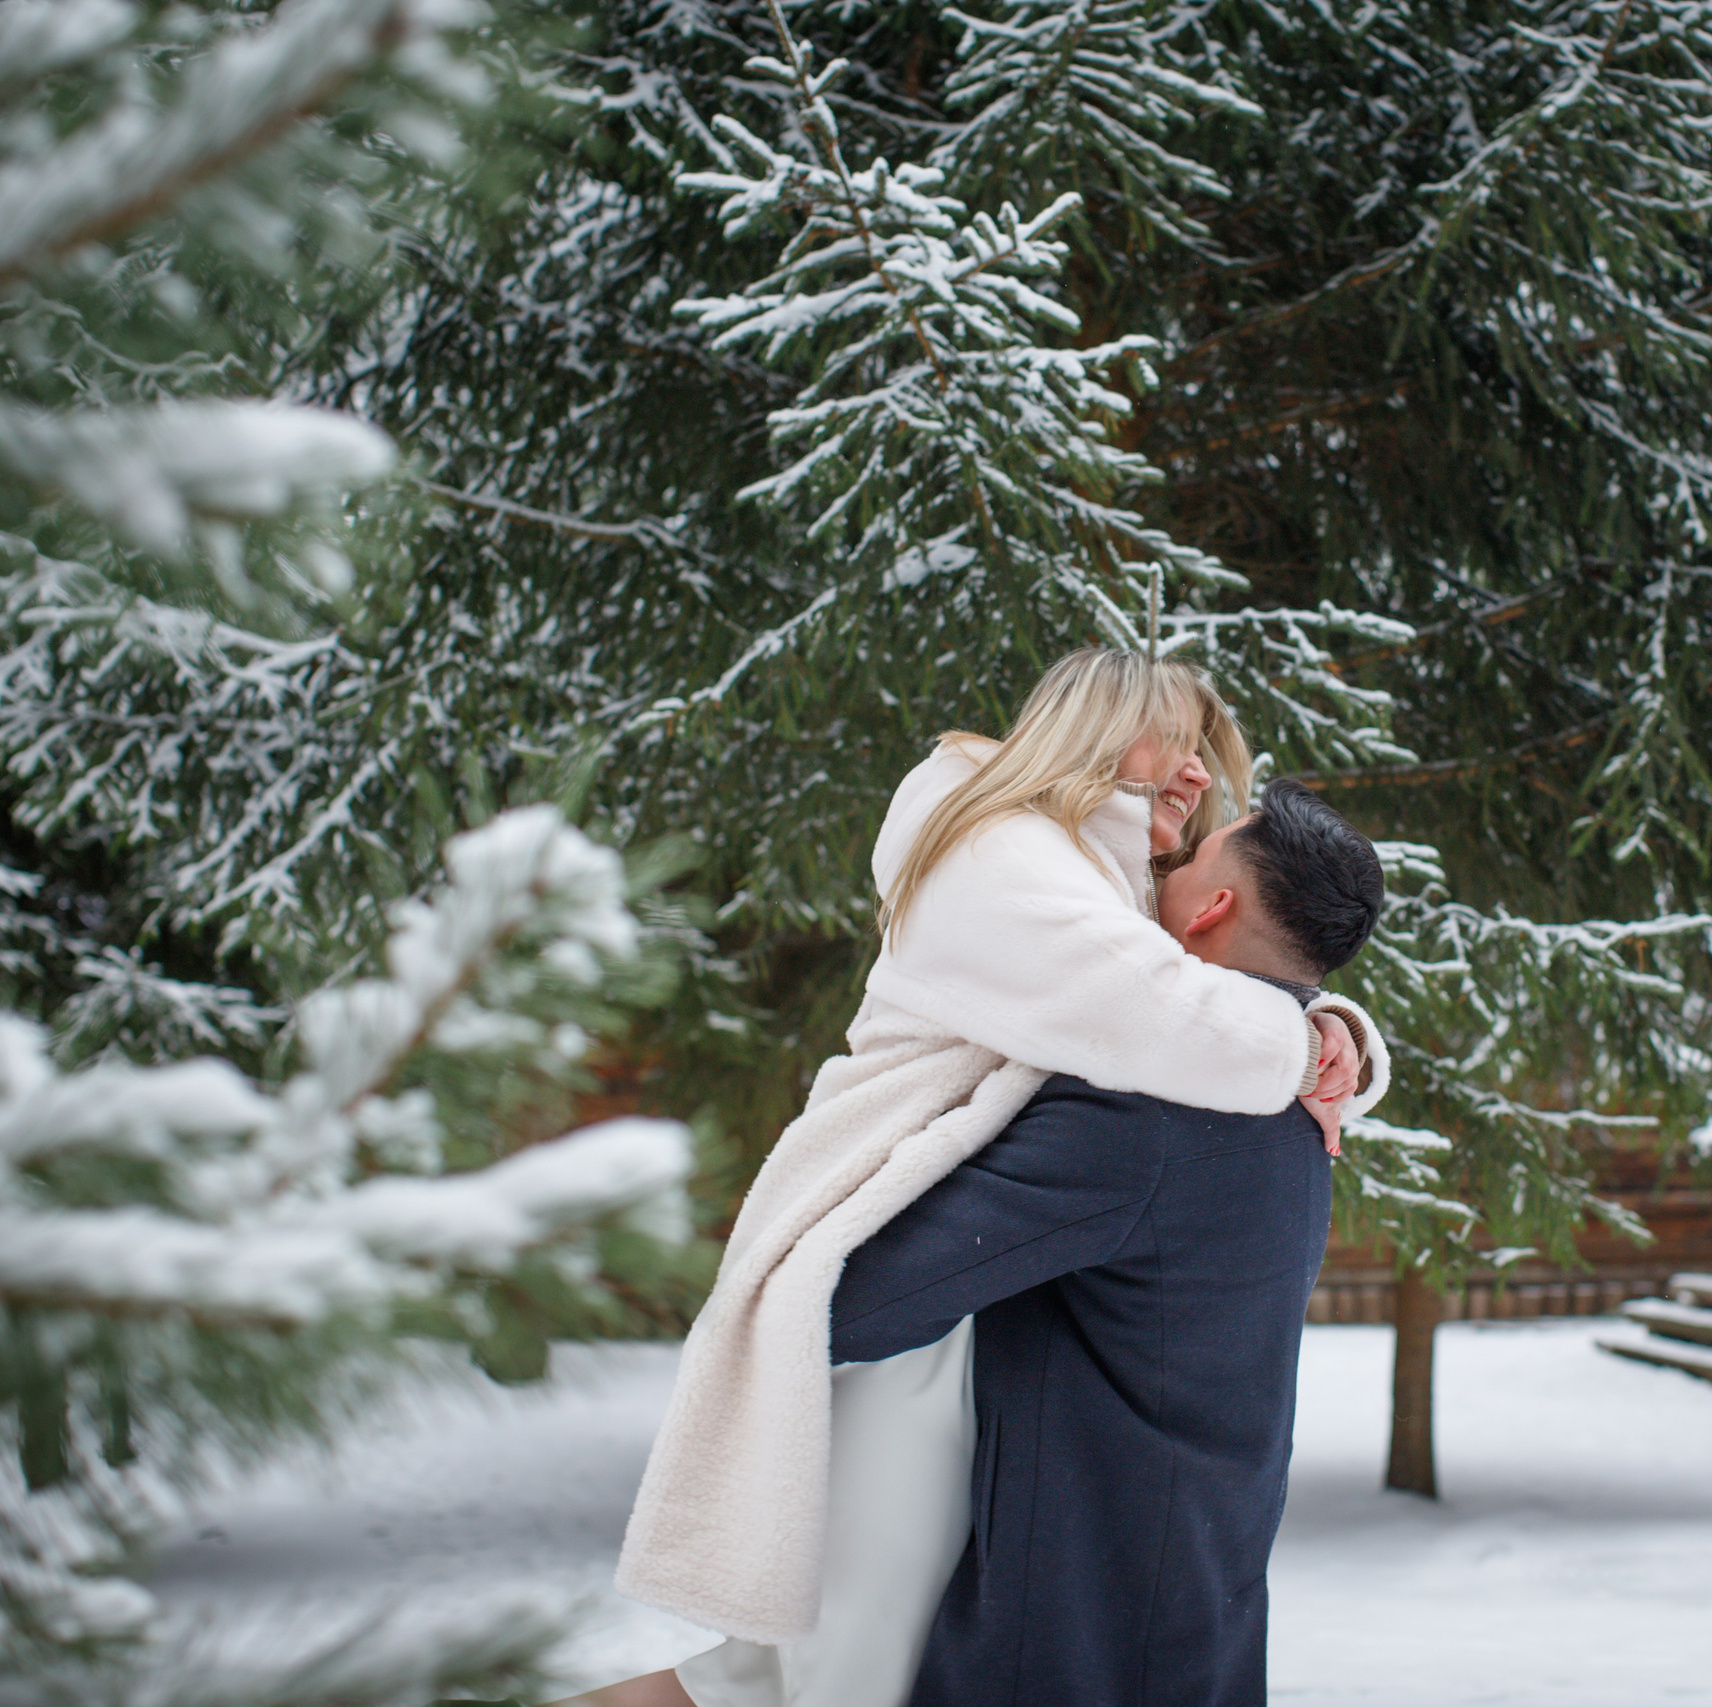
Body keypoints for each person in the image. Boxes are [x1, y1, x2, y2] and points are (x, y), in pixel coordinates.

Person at [575, 653, 1384, 1707]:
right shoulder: (998, 857)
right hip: (934, 1346)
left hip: (1072, 1549)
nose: (1192, 778)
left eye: (1204, 763)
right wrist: (1307, 1034)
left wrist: (1325, 1037)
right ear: (1090, 729)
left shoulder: (1158, 1072)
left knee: (752, 1691)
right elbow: (1156, 998)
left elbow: (1166, 1004)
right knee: (761, 1690)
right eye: (1172, 740)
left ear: (1202, 910)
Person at [828, 779, 1386, 1707]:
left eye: (1182, 858)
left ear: (1212, 906)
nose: (1155, 864)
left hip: (1070, 1632)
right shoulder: (1292, 1089)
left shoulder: (1147, 1112)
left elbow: (861, 1296)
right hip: (1195, 1602)